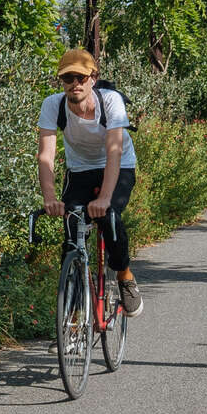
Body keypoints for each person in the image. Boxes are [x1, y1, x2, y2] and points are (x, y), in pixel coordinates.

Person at [36, 48, 142, 316]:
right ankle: (70, 320)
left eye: (81, 77)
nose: (75, 84)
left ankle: (125, 276)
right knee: (72, 234)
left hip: (118, 164)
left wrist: (105, 198)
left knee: (110, 217)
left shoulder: (111, 101)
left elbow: (114, 150)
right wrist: (50, 197)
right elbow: (46, 155)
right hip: (80, 169)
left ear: (93, 77)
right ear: (62, 81)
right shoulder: (53, 105)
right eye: (68, 78)